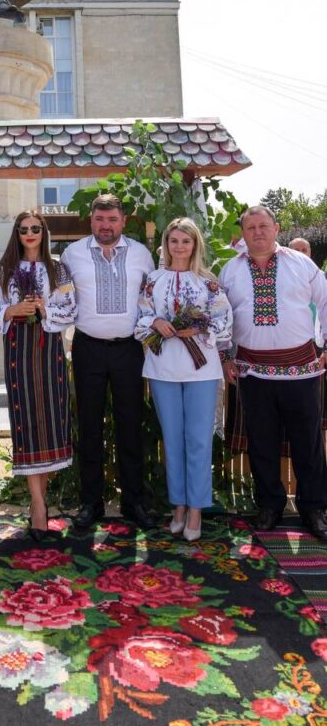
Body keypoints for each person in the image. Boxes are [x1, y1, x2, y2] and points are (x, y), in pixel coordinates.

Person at [219, 206, 327, 540]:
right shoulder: (230, 270)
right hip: (253, 372)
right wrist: (225, 356)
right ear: (243, 232)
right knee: (261, 442)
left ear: (276, 228)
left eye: (263, 225)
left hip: (303, 371)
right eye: (250, 227)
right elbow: (220, 316)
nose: (257, 232)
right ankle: (270, 506)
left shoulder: (301, 264)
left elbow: (325, 302)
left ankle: (314, 508)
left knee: (307, 443)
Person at [61, 194, 156, 530]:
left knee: (130, 425)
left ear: (123, 221)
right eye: (100, 220)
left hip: (129, 350)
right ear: (91, 221)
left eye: (112, 220)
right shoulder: (72, 255)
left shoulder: (142, 254)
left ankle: (134, 502)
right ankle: (91, 503)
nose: (106, 226)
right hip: (88, 348)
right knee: (89, 427)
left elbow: (151, 296)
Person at [135, 218, 233, 541]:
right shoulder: (153, 280)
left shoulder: (209, 282)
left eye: (185, 241)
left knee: (199, 439)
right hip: (163, 368)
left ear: (195, 245)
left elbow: (224, 322)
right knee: (172, 438)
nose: (179, 247)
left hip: (201, 371)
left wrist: (201, 328)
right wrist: (157, 322)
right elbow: (140, 319)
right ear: (166, 244)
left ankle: (196, 509)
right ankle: (178, 504)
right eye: (174, 240)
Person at [0, 211, 76, 539]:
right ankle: (38, 506)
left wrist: (44, 309)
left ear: (44, 231)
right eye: (23, 229)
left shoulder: (58, 267)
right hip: (18, 347)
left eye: (35, 228)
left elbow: (71, 308)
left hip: (48, 346)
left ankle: (42, 498)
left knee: (50, 419)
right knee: (25, 419)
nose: (29, 233)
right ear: (17, 233)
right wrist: (12, 310)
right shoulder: (5, 268)